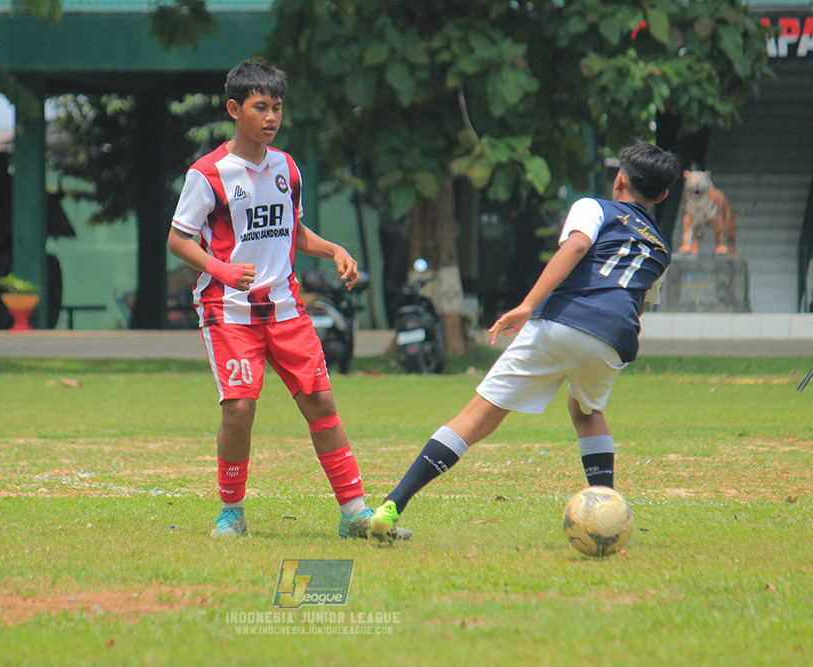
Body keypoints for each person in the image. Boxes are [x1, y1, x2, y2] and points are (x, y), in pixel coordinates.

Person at [368, 141, 682, 545]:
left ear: (619, 180)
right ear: (662, 195)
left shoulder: (595, 207)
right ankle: (608, 513)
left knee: (478, 415)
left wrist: (527, 305)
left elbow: (578, 245)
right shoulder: (660, 247)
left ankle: (391, 506)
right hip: (615, 335)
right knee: (586, 411)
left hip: (564, 320)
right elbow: (637, 304)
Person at [168, 59, 409, 541]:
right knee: (239, 409)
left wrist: (333, 248)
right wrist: (220, 270)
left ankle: (355, 513)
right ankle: (231, 512)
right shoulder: (208, 174)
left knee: (321, 401)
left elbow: (291, 230)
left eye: (277, 107)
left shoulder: (287, 167)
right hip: (228, 311)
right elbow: (178, 240)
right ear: (235, 109)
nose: (271, 117)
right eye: (261, 107)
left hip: (287, 308)